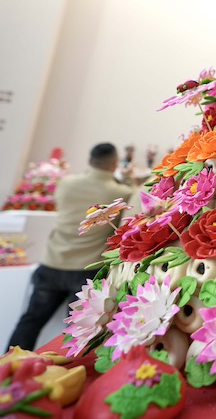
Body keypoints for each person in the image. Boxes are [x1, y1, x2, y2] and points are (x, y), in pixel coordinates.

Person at [6, 143, 134, 350]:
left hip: (52, 263)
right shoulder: (120, 192)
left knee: (31, 321)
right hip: (87, 269)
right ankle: (66, 374)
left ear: (90, 161)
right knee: (76, 331)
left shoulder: (66, 184)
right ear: (114, 164)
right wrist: (124, 176)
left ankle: (7, 366)